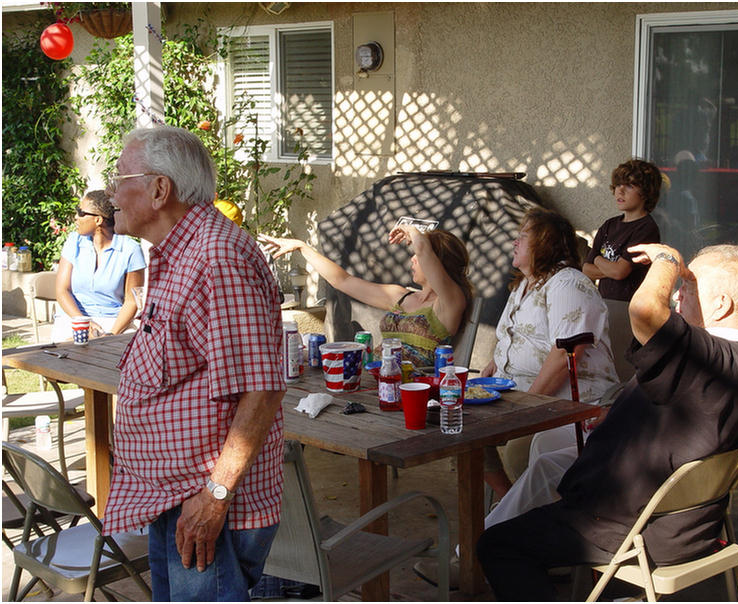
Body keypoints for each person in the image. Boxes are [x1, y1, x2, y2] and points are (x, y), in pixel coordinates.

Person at [477, 243, 738, 601]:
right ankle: (489, 549)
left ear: (721, 305)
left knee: (497, 546)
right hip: (689, 524)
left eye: (687, 285)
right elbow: (683, 420)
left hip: (631, 526)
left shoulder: (705, 357)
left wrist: (667, 261)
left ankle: (483, 554)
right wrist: (613, 417)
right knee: (549, 464)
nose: (676, 295)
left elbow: (646, 310)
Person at [101, 126, 286, 602]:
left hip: (206, 503)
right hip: (176, 495)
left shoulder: (217, 256)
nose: (110, 192)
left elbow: (262, 390)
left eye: (120, 177)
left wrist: (215, 496)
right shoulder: (176, 251)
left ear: (160, 189)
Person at [480, 207, 619, 500]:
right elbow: (517, 336)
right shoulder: (522, 286)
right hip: (516, 394)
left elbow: (565, 355)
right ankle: (511, 502)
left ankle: (518, 511)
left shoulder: (568, 282)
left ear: (545, 241)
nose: (514, 242)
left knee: (517, 446)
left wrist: (526, 410)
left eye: (523, 236)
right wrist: (496, 363)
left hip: (568, 404)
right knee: (461, 427)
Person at [262, 225, 472, 367]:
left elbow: (424, 249)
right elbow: (343, 281)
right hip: (374, 377)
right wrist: (303, 247)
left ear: (439, 264)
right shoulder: (401, 297)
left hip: (413, 387)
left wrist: (412, 229)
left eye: (417, 255)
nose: (413, 259)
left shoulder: (450, 302)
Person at [52, 190, 145, 341]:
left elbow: (131, 300)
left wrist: (110, 335)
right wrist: (83, 323)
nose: (76, 217)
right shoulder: (73, 241)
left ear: (98, 220)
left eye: (81, 212)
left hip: (113, 322)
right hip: (73, 317)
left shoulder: (130, 250)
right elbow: (62, 290)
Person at [582, 159, 662, 301]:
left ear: (645, 192)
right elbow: (587, 269)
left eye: (630, 185)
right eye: (618, 185)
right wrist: (610, 268)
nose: (620, 190)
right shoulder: (609, 225)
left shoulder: (646, 228)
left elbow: (620, 272)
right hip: (605, 302)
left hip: (630, 306)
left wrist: (597, 258)